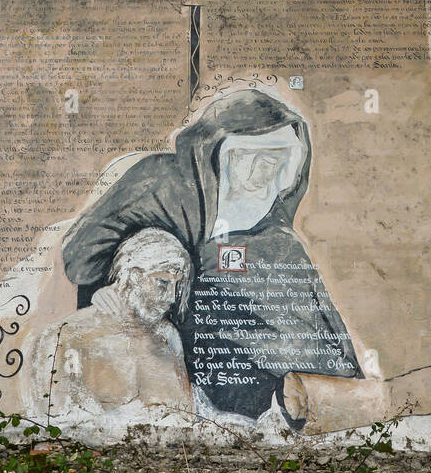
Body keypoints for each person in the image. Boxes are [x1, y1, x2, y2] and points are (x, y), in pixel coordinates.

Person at [60, 90, 362, 422]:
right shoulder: (162, 184)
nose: (264, 170)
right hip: (158, 340)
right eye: (251, 156)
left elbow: (311, 317)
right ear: (220, 152)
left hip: (238, 373)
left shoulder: (276, 235)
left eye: (276, 158)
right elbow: (82, 254)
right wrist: (109, 288)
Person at [32, 227, 194, 422]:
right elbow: (54, 423)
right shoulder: (65, 336)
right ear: (134, 275)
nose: (171, 298)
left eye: (177, 285)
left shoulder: (168, 336)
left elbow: (188, 415)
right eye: (162, 282)